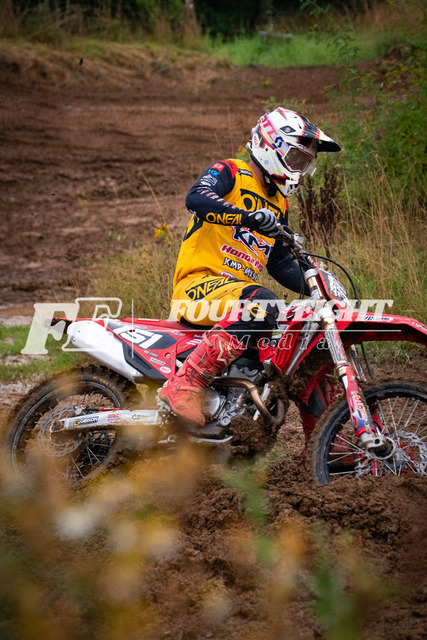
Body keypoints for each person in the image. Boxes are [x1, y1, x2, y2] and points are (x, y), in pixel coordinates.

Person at [159, 107, 341, 429]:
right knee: (264, 303)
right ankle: (185, 384)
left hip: (235, 299)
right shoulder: (231, 171)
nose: (299, 170)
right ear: (272, 146)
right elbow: (196, 198)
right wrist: (247, 217)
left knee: (301, 334)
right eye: (296, 159)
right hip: (197, 287)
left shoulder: (279, 204)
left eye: (305, 164)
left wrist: (319, 283)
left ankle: (326, 439)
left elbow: (280, 263)